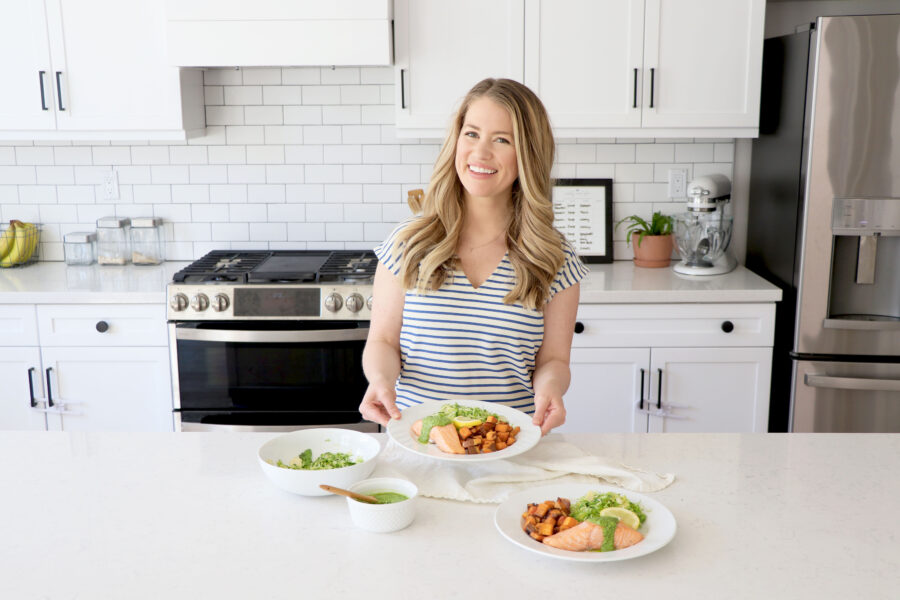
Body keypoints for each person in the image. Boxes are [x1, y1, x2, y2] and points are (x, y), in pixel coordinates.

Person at [358, 78, 589, 435]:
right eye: (471, 134)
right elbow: (383, 342)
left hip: (507, 445)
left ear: (527, 153)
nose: (481, 153)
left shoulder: (554, 258)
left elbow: (554, 360)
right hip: (419, 442)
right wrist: (380, 380)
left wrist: (551, 390)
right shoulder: (408, 243)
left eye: (502, 139)